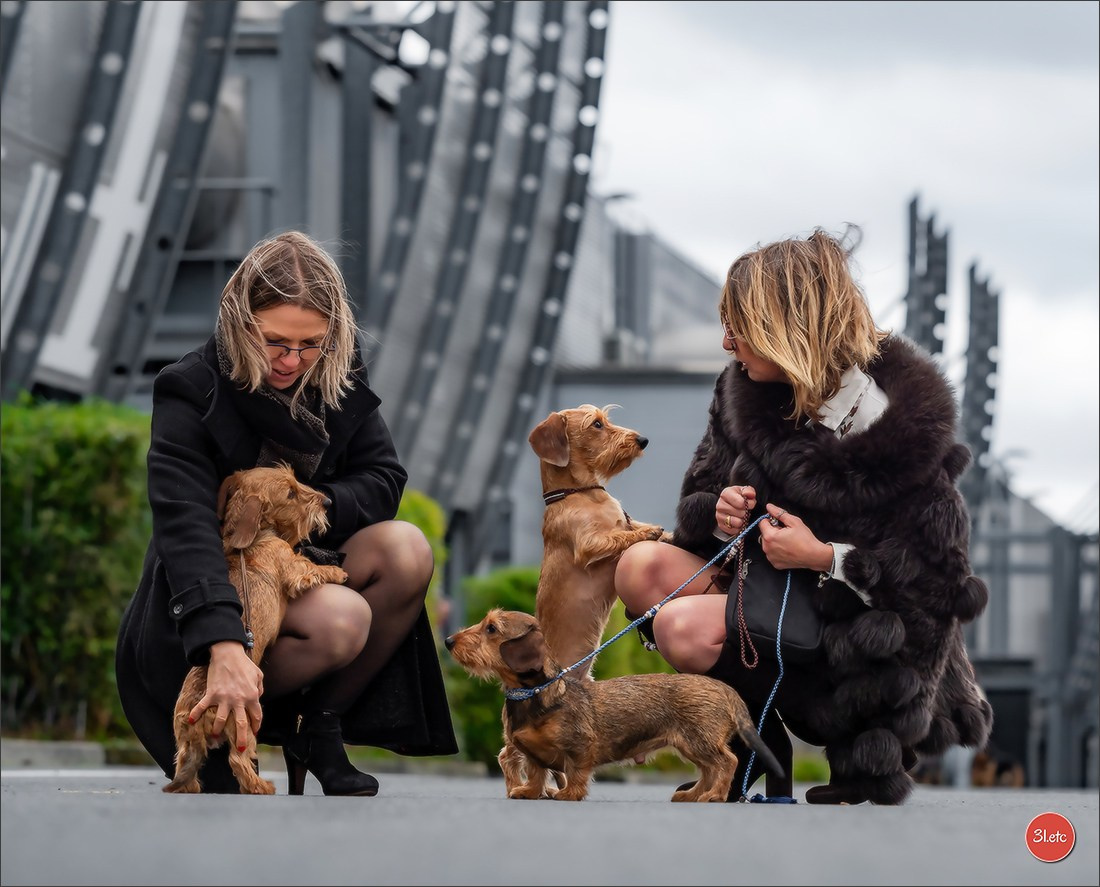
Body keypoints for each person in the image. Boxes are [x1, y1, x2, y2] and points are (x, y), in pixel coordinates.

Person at [615, 227, 992, 805]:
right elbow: (700, 494)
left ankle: (749, 747)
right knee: (638, 567)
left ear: (790, 329)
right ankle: (754, 744)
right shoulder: (742, 388)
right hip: (762, 583)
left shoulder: (895, 425)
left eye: (740, 328)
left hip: (845, 625)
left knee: (680, 627)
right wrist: (721, 511)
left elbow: (935, 585)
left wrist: (822, 556)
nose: (726, 343)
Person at [115, 230, 457, 794]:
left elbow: (383, 478)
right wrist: (223, 644)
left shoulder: (335, 375)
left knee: (407, 549)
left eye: (311, 344)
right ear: (239, 321)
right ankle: (219, 715)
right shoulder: (190, 388)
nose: (292, 360)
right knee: (341, 618)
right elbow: (186, 526)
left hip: (296, 566)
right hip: (210, 601)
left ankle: (317, 729)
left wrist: (302, 510)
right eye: (275, 342)